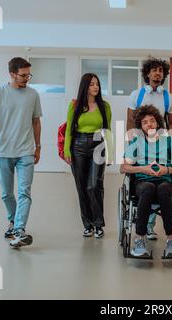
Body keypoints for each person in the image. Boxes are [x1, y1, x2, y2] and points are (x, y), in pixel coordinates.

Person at [0, 57, 42, 248]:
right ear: (12, 74)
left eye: (28, 75)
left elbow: (36, 122)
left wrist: (37, 146)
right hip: (3, 151)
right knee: (7, 193)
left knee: (24, 192)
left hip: (25, 151)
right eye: (23, 75)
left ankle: (19, 230)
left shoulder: (33, 95)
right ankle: (13, 221)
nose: (27, 78)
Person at [121, 105, 172, 258]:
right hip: (143, 182)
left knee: (164, 190)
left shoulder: (169, 142)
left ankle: (171, 240)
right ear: (140, 126)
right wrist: (143, 169)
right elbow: (123, 168)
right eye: (145, 122)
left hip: (165, 181)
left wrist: (167, 170)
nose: (149, 124)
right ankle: (139, 239)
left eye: (152, 121)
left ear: (158, 123)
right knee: (148, 188)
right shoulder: (136, 143)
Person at [126, 57, 172, 241]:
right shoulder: (136, 94)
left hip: (161, 141)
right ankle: (144, 227)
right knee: (146, 182)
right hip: (140, 140)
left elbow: (171, 123)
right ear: (147, 73)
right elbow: (131, 122)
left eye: (161, 71)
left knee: (160, 181)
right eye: (154, 70)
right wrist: (131, 146)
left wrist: (171, 146)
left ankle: (149, 226)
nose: (158, 73)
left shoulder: (169, 97)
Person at [64, 73, 112, 239]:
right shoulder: (75, 105)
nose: (95, 87)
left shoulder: (104, 106)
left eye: (97, 84)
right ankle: (88, 225)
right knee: (82, 187)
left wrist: (111, 152)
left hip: (98, 145)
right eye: (92, 84)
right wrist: (67, 150)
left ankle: (98, 224)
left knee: (94, 185)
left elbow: (108, 129)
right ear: (85, 86)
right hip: (78, 145)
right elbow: (69, 129)